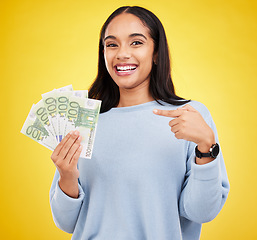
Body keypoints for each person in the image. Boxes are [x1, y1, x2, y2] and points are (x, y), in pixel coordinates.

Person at [49, 6, 229, 240]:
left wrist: (207, 148)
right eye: (111, 44)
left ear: (156, 53)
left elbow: (202, 212)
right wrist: (67, 175)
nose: (122, 54)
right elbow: (67, 223)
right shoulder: (85, 120)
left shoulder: (189, 116)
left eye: (136, 42)